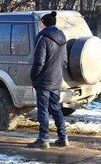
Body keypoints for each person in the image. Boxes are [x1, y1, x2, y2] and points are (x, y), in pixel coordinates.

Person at [27, 11, 69, 149]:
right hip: (56, 79)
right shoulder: (62, 38)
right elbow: (64, 61)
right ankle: (63, 137)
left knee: (43, 110)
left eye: (41, 23)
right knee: (56, 108)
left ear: (44, 23)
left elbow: (39, 62)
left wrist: (33, 76)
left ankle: (44, 139)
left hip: (44, 81)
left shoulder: (43, 38)